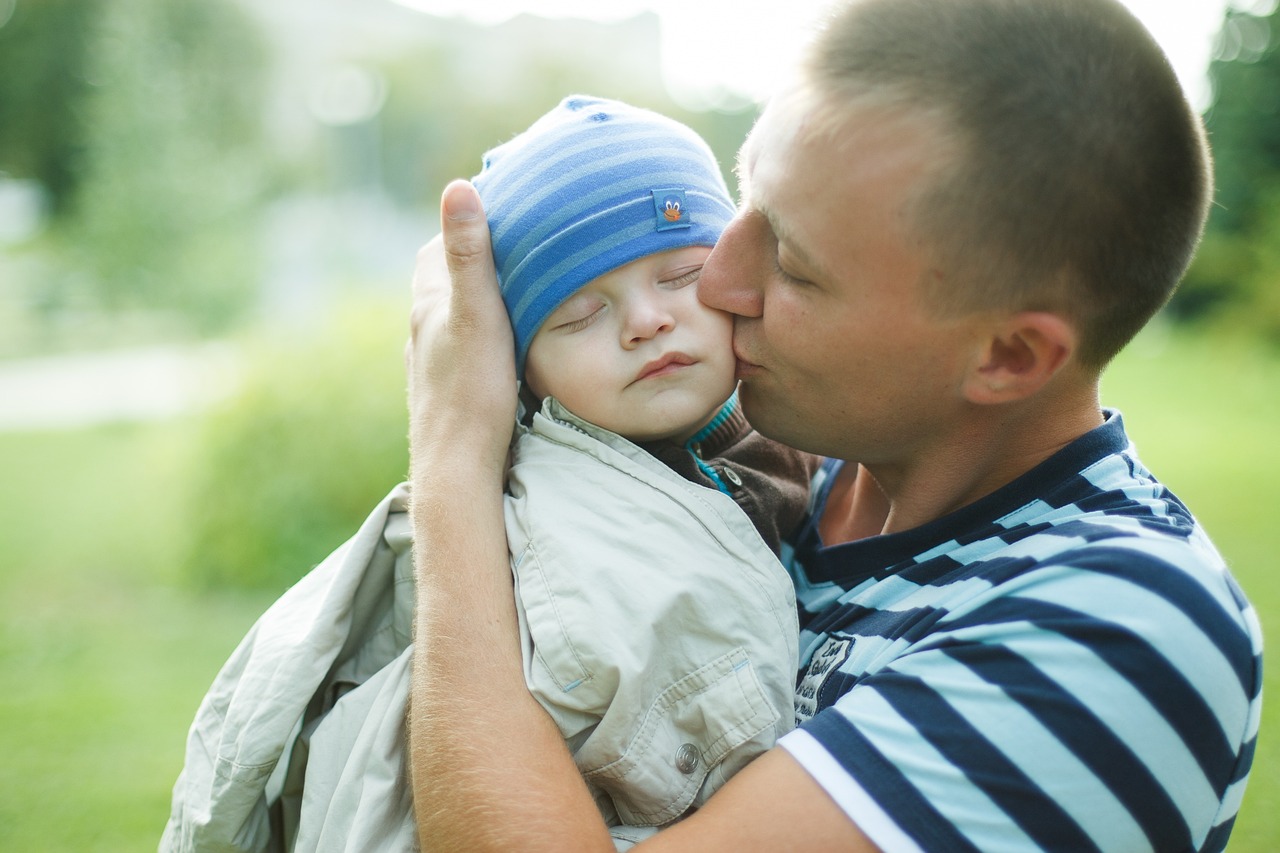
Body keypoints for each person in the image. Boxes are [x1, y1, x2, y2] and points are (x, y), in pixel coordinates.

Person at [404, 0, 1263, 851]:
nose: (718, 283)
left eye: (793, 263)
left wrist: (454, 446)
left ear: (1007, 355)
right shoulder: (763, 480)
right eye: (744, 207)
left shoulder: (1118, 627)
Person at [161, 96, 816, 852]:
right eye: (578, 314)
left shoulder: (802, 430)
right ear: (516, 368)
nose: (645, 320)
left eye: (682, 274)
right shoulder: (552, 524)